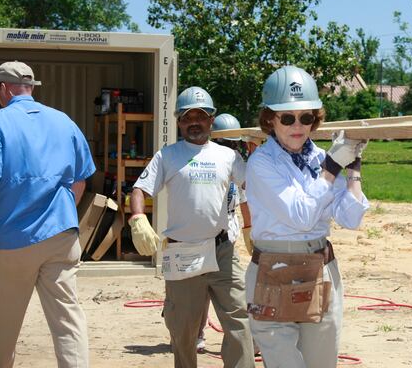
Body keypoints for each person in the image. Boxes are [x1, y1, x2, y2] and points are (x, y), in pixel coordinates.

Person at [244, 65, 369, 368]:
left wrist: (353, 169)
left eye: (306, 117)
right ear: (270, 119)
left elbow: (351, 218)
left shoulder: (320, 158)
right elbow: (300, 215)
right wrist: (331, 168)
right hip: (272, 270)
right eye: (287, 117)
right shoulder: (262, 162)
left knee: (321, 363)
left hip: (318, 268)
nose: (297, 125)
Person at [128, 86, 255, 368]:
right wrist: (137, 217)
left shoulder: (228, 156)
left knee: (238, 320)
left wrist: (250, 227)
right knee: (183, 329)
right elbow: (140, 189)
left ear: (211, 120)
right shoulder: (168, 156)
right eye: (187, 118)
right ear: (179, 122)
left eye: (200, 116)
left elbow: (252, 189)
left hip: (222, 251)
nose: (194, 122)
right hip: (183, 253)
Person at [0, 61, 96, 367]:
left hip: (12, 240)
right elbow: (81, 179)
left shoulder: (0, 123)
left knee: (4, 326)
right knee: (67, 321)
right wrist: (64, 214)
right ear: (31, 87)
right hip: (61, 236)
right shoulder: (64, 121)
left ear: (2, 88)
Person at [195, 112, 253, 353]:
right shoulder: (203, 162)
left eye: (233, 144)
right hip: (199, 238)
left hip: (227, 238)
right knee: (199, 293)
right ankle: (195, 332)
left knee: (235, 292)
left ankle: (244, 342)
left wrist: (249, 229)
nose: (230, 148)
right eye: (225, 143)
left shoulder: (234, 162)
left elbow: (244, 199)